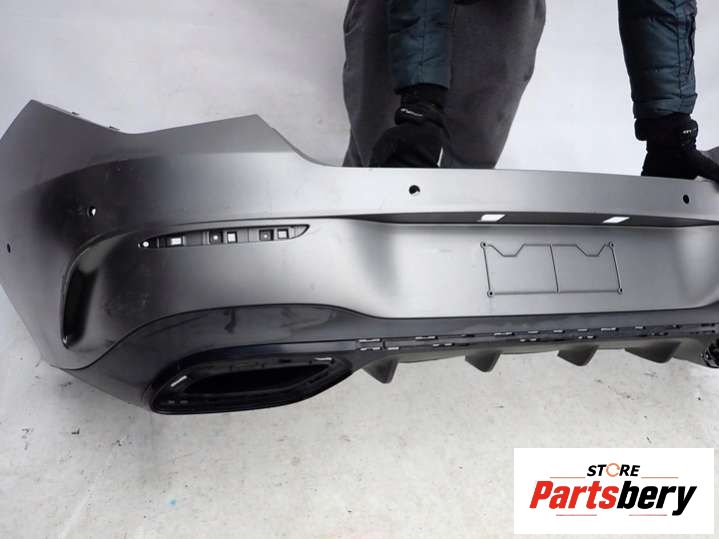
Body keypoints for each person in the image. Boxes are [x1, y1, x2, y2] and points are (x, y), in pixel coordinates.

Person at [342, 0, 719, 181]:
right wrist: (419, 104)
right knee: (394, 167)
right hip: (405, 9)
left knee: (465, 177)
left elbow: (660, 5)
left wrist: (669, 125)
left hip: (503, 11)